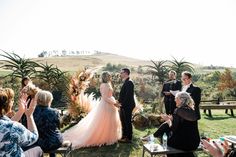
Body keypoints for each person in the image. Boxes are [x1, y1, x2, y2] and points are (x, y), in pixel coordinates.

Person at [63, 71, 122, 149]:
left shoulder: (108, 84)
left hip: (110, 104)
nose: (110, 77)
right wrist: (114, 103)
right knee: (105, 121)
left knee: (111, 121)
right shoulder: (103, 85)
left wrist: (114, 102)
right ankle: (103, 137)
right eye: (108, 76)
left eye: (109, 75)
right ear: (105, 77)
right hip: (106, 105)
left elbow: (109, 95)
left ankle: (110, 136)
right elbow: (105, 97)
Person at [142, 91, 200, 157]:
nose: (174, 100)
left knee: (165, 131)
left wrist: (168, 120)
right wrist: (171, 119)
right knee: (166, 125)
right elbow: (184, 125)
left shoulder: (178, 110)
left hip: (183, 144)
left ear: (181, 100)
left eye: (176, 98)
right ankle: (152, 137)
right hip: (194, 142)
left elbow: (174, 129)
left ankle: (165, 151)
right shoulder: (191, 110)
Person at [0, 88, 43, 157]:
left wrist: (20, 112)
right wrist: (29, 116)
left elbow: (5, 125)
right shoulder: (12, 127)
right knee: (38, 150)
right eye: (11, 100)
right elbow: (33, 137)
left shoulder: (8, 126)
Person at [30, 90, 63, 157]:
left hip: (37, 142)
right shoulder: (55, 112)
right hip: (54, 142)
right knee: (51, 135)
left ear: (37, 100)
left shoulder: (30, 113)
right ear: (49, 100)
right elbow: (59, 126)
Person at [118, 68, 135, 143]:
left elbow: (128, 96)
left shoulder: (129, 82)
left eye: (121, 73)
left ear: (126, 73)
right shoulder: (126, 81)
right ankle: (124, 136)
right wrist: (119, 102)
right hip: (124, 105)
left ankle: (128, 138)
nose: (120, 74)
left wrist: (121, 105)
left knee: (127, 121)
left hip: (127, 105)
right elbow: (123, 94)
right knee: (123, 121)